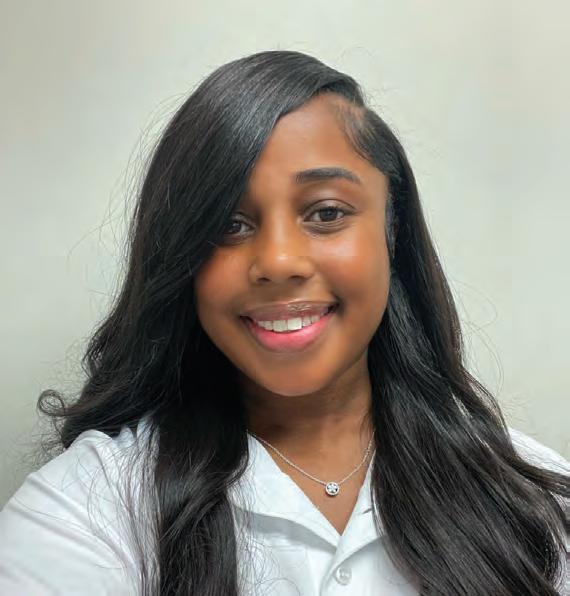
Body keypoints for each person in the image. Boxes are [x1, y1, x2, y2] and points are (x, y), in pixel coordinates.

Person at [0, 50, 568, 596]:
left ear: (392, 229)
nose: (277, 261)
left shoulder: (531, 497)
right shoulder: (88, 508)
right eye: (229, 224)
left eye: (326, 213)